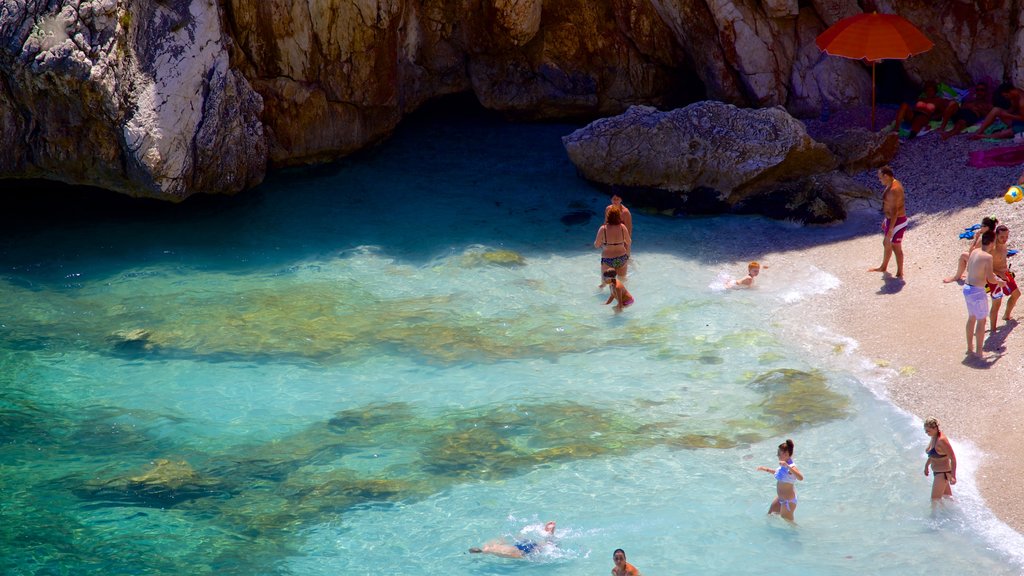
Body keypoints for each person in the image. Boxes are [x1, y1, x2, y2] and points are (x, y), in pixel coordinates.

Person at [963, 231, 1005, 357]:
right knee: (981, 321)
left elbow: (969, 269)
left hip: (967, 288)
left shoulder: (975, 251)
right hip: (977, 291)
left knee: (971, 318)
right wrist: (999, 282)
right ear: (992, 243)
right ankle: (979, 352)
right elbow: (990, 278)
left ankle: (970, 348)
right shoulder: (988, 257)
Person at [868, 166, 907, 278]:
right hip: (891, 220)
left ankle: (900, 273)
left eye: (880, 178)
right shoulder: (892, 184)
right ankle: (883, 267)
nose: (879, 180)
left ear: (886, 176)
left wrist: (890, 229)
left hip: (898, 221)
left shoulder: (894, 190)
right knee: (886, 243)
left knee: (896, 246)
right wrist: (886, 220)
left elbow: (895, 211)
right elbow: (890, 207)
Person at [756, 439, 804, 522]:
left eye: (779, 454)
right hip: (780, 498)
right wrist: (766, 469)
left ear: (785, 454)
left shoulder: (791, 466)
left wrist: (788, 466)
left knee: (790, 524)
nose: (777, 455)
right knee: (770, 516)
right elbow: (780, 474)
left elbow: (800, 477)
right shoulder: (783, 465)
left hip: (788, 502)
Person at [943, 215, 997, 284]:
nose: (980, 227)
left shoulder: (984, 239)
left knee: (963, 255)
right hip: (991, 263)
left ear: (987, 227)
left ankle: (956, 277)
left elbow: (971, 252)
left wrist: (976, 238)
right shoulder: (994, 235)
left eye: (982, 225)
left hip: (983, 265)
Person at [988, 224, 1020, 330]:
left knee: (1016, 294)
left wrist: (1006, 272)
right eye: (1002, 237)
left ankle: (1006, 315)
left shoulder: (1004, 245)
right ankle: (993, 329)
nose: (1005, 239)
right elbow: (985, 265)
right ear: (996, 235)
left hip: (1005, 274)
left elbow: (1003, 260)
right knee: (997, 303)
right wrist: (998, 274)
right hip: (995, 277)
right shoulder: (991, 247)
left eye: (1006, 236)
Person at [469, 521, 556, 558]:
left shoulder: (492, 548)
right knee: (543, 546)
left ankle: (548, 536)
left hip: (520, 549)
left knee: (544, 547)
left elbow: (518, 555)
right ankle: (548, 535)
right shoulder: (491, 545)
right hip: (519, 546)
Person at [923, 417, 957, 502]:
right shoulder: (934, 436)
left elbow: (953, 458)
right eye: (925, 430)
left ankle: (934, 516)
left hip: (942, 474)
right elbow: (933, 455)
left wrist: (953, 476)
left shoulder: (941, 441)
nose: (926, 433)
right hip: (939, 473)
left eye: (928, 431)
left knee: (934, 501)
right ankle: (953, 515)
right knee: (948, 499)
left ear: (935, 428)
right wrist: (926, 465)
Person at [595, 206, 631, 281]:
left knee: (605, 282)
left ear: (608, 216)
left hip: (608, 259)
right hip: (622, 258)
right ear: (619, 216)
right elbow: (629, 241)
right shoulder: (622, 227)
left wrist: (603, 244)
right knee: (622, 280)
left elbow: (596, 245)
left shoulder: (603, 228)